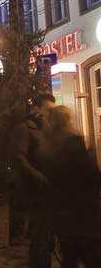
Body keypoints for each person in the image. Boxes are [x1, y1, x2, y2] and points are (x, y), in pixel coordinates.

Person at [45, 106, 101, 268]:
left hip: (63, 212)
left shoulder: (50, 148)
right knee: (91, 255)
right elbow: (90, 177)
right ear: (67, 121)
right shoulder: (74, 143)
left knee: (69, 256)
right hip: (83, 210)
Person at [9, 94, 55, 268]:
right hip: (34, 190)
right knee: (39, 237)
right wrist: (37, 176)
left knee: (47, 236)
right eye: (48, 110)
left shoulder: (47, 129)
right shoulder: (23, 129)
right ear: (36, 109)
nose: (50, 114)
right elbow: (17, 157)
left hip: (48, 188)